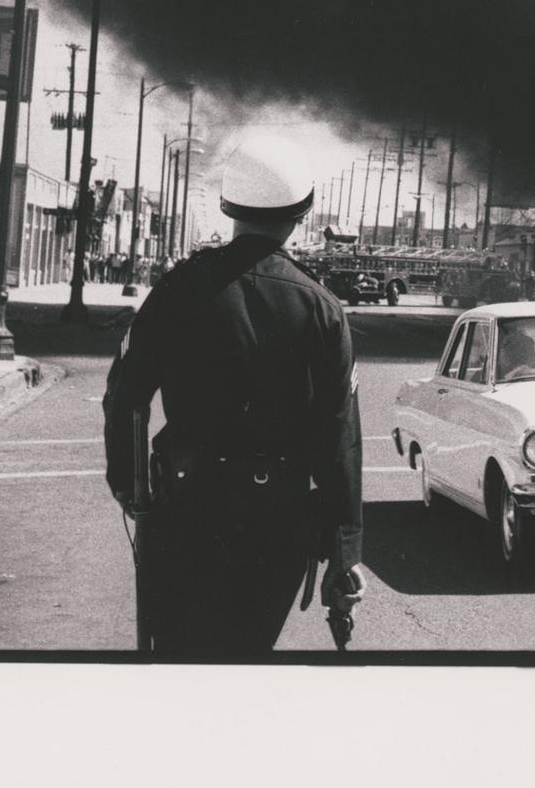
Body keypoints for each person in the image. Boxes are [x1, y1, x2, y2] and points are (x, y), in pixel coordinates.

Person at [103, 131, 364, 654]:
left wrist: (133, 488)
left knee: (179, 656)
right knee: (248, 655)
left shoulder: (177, 289)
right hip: (277, 520)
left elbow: (125, 396)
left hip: (186, 508)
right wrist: (344, 550)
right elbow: (339, 438)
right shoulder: (322, 308)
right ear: (300, 214)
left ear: (229, 209)